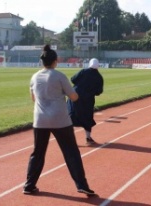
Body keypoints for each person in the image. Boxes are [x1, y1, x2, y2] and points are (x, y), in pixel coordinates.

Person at [23, 45, 95, 196]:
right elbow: (74, 97)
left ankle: (29, 185)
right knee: (71, 152)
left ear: (41, 61)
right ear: (56, 61)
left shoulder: (34, 77)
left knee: (38, 153)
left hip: (40, 119)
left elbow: (33, 98)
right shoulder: (59, 76)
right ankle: (81, 184)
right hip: (60, 120)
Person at [67, 58, 104, 146]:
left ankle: (69, 139)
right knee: (87, 117)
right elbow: (99, 92)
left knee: (71, 115)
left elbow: (72, 79)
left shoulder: (83, 71)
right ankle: (88, 138)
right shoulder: (99, 77)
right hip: (88, 99)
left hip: (75, 96)